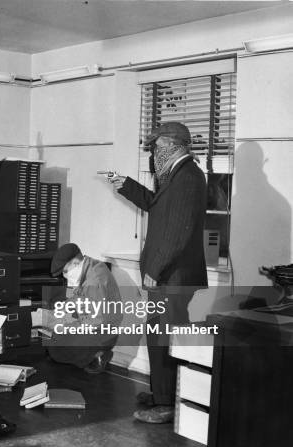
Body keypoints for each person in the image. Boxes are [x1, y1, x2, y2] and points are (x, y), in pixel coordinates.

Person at [109, 121, 207, 423]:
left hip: (171, 276)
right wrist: (126, 185)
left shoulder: (188, 176)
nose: (153, 152)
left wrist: (155, 268)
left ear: (174, 145)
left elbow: (179, 231)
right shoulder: (174, 176)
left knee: (164, 337)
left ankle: (166, 403)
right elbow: (156, 206)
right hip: (168, 275)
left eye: (157, 146)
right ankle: (163, 392)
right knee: (160, 336)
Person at [38, 243, 122, 375]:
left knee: (55, 347)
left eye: (65, 272)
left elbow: (94, 322)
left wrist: (63, 326)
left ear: (75, 262)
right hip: (98, 324)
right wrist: (59, 312)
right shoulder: (90, 267)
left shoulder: (94, 281)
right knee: (52, 333)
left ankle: (98, 356)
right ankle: (88, 353)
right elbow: (79, 299)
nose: (65, 276)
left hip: (102, 332)